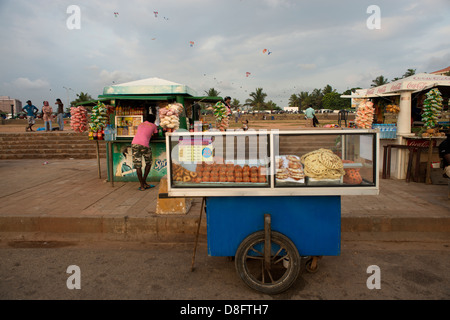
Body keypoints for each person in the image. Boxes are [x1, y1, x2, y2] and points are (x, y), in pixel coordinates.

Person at [131, 113, 158, 191]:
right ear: (153, 120)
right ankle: (144, 181)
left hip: (134, 144)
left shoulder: (140, 124)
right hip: (144, 145)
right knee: (148, 163)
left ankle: (142, 185)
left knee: (138, 165)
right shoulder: (153, 126)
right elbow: (156, 136)